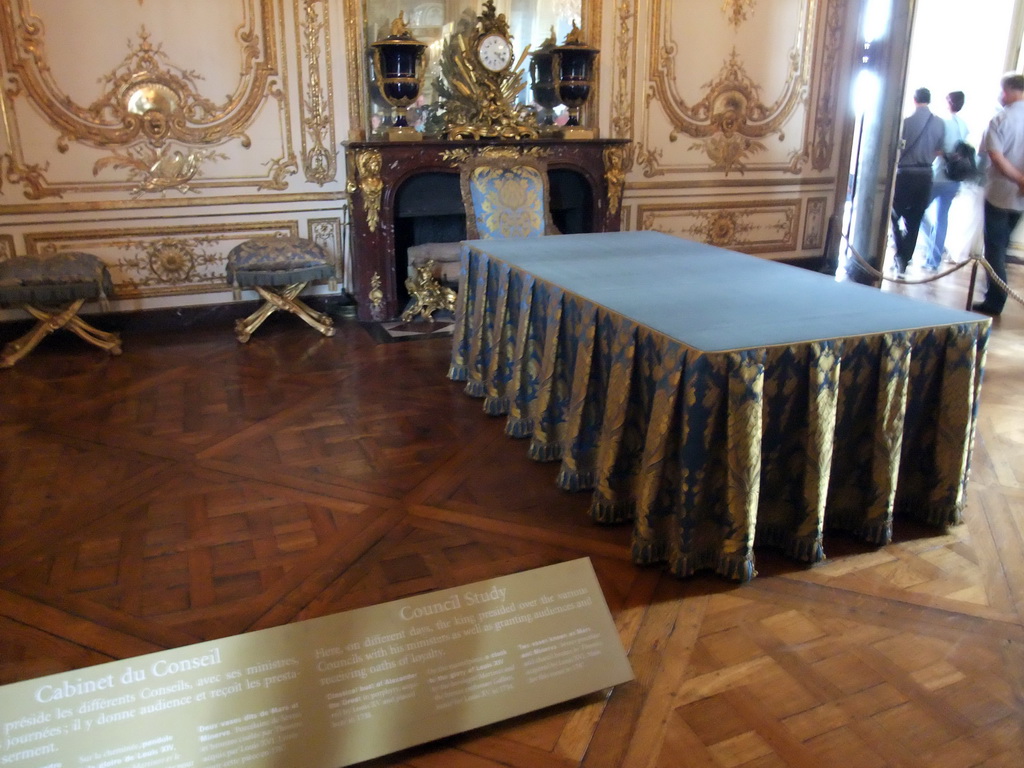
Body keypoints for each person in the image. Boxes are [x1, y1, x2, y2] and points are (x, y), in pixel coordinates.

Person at [975, 72, 1024, 316]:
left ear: (1006, 91)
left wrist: (1018, 178)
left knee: (994, 249)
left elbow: (996, 156)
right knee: (1002, 248)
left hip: (1000, 192)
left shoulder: (1001, 119)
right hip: (1020, 197)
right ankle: (997, 293)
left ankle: (995, 299)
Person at [890, 87, 946, 276]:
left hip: (905, 174)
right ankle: (904, 258)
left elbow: (897, 146)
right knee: (915, 220)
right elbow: (940, 150)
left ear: (914, 100)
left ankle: (900, 251)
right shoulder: (939, 123)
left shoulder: (906, 122)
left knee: (893, 215)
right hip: (925, 175)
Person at [921, 91, 970, 271]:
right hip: (954, 179)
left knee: (918, 212)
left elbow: (935, 149)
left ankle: (930, 248)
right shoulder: (964, 125)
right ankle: (934, 259)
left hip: (939, 175)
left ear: (948, 102)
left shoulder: (942, 123)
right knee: (943, 218)